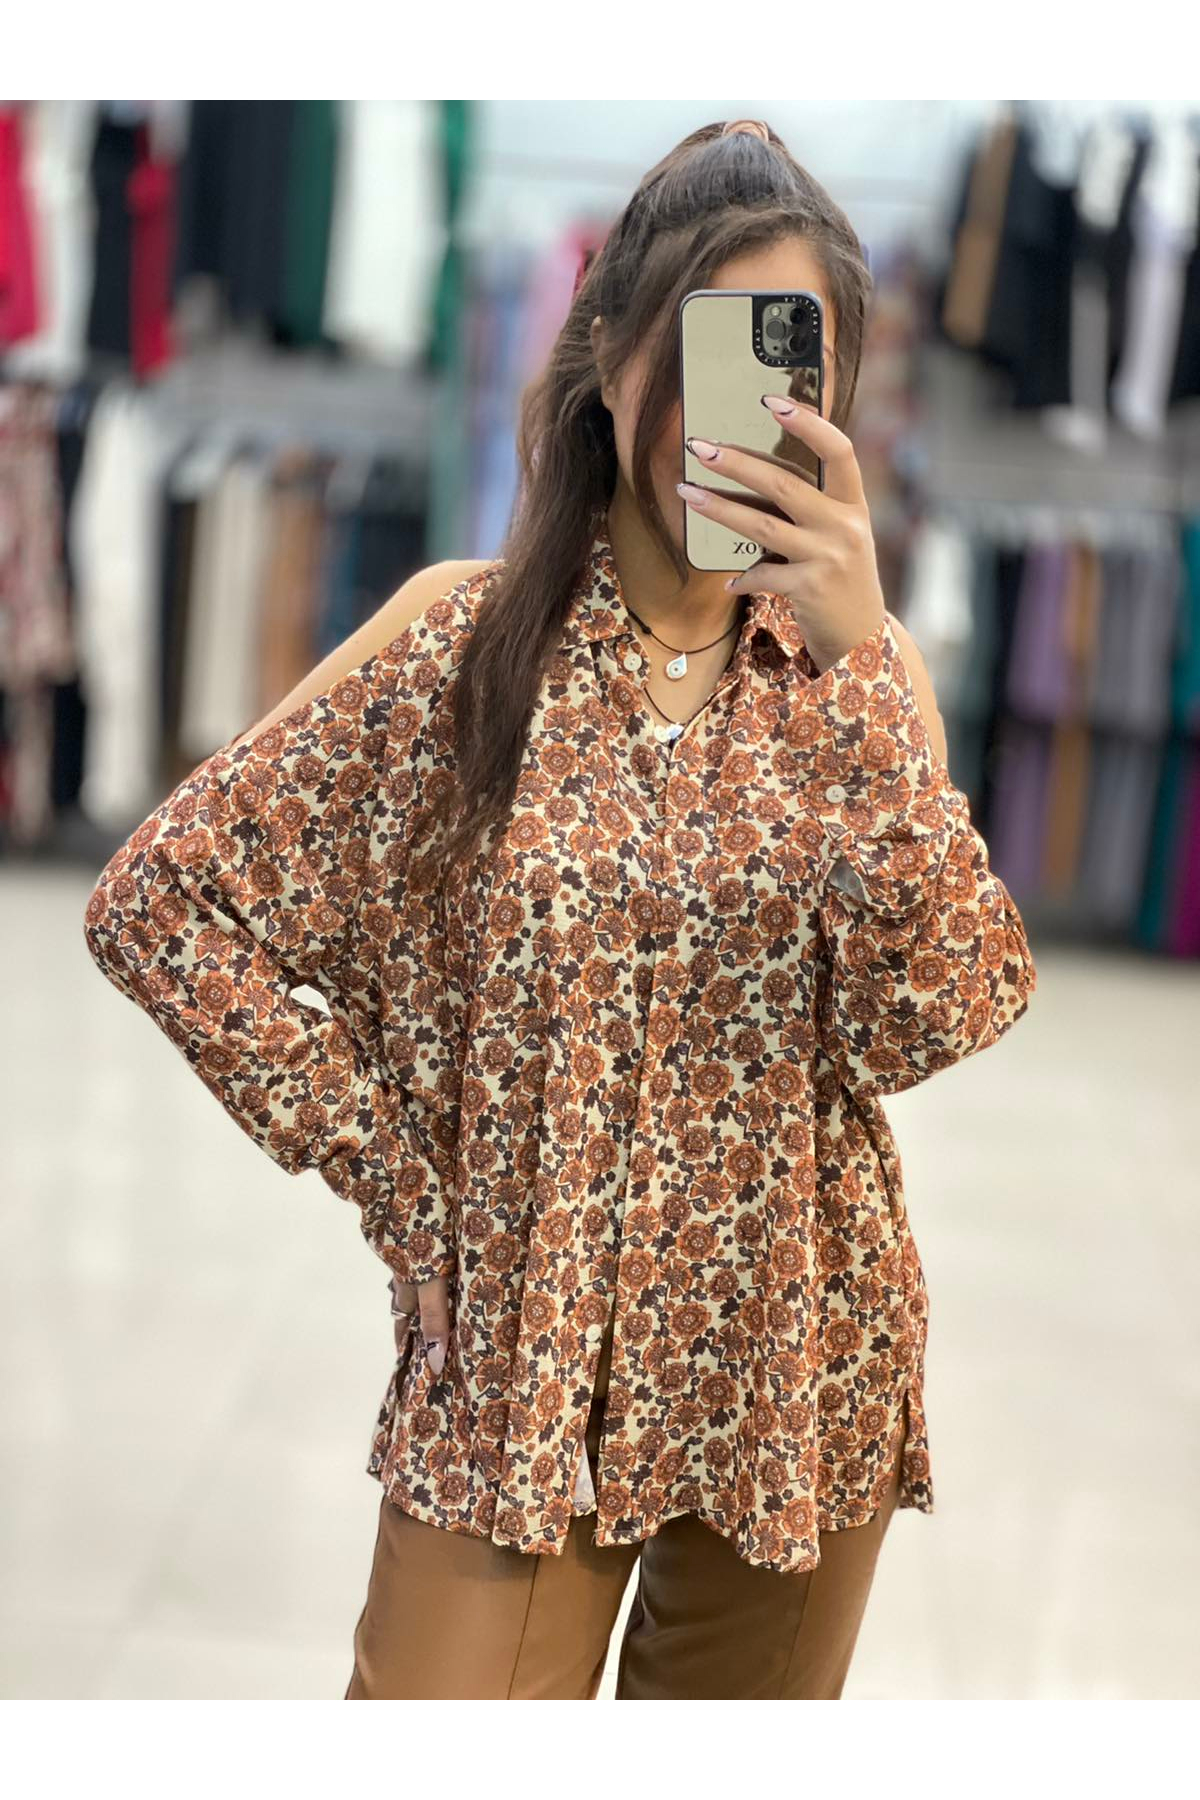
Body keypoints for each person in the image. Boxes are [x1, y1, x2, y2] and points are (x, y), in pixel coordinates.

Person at [82, 117, 1037, 1700]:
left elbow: (937, 1014)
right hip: (516, 1364)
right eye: (708, 352)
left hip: (792, 1365)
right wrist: (399, 1178)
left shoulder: (860, 688)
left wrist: (864, 671)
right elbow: (162, 905)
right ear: (608, 358)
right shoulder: (462, 647)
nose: (741, 417)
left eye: (785, 367)